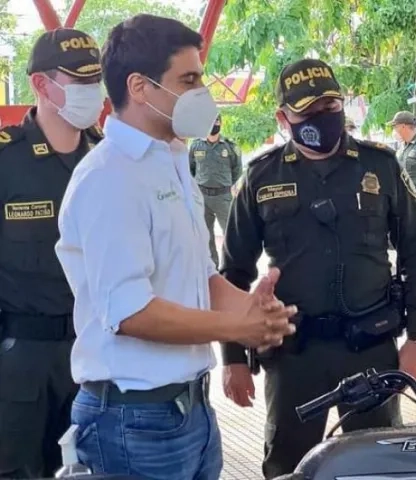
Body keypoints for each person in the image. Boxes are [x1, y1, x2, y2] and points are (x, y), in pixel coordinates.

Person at [54, 14, 296, 479]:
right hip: (133, 421)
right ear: (140, 87)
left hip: (191, 411)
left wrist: (254, 312)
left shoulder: (171, 160)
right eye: (189, 80)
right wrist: (232, 326)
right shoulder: (109, 177)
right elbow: (130, 312)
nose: (202, 93)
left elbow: (202, 274)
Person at [220, 58, 416, 477]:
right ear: (284, 118)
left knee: (379, 466)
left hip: (371, 348)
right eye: (309, 112)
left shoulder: (381, 165)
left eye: (331, 107)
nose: (323, 117)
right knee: (288, 466)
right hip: (293, 354)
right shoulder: (261, 176)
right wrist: (233, 357)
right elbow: (233, 272)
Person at [0, 28, 105, 479]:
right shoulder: (7, 160)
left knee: (92, 469)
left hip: (98, 356)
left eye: (96, 80)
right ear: (42, 85)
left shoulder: (109, 159)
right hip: (19, 361)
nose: (92, 92)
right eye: (79, 81)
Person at [189, 113, 242, 268]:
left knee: (230, 233)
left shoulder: (230, 146)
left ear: (221, 123)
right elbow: (191, 169)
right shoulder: (196, 145)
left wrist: (225, 185)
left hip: (223, 197)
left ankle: (232, 268)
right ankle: (212, 268)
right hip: (202, 196)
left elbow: (237, 170)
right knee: (206, 236)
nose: (215, 124)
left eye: (217, 121)